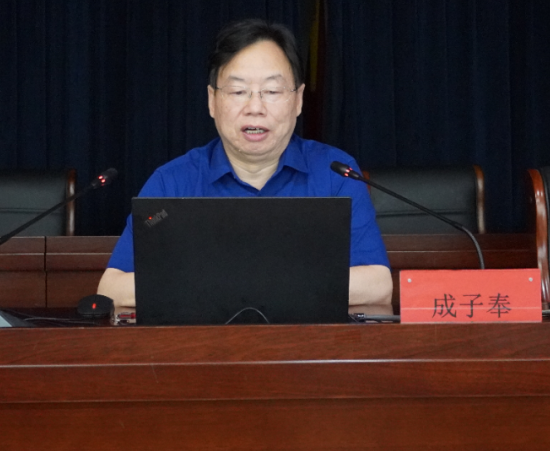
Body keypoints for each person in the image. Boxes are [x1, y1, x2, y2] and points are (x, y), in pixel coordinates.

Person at [97, 18, 392, 307]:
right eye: (238, 92)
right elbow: (112, 289)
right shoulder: (172, 182)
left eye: (272, 91)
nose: (255, 107)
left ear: (299, 99)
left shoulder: (336, 174)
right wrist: (261, 284)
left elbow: (377, 285)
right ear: (212, 100)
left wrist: (231, 285)